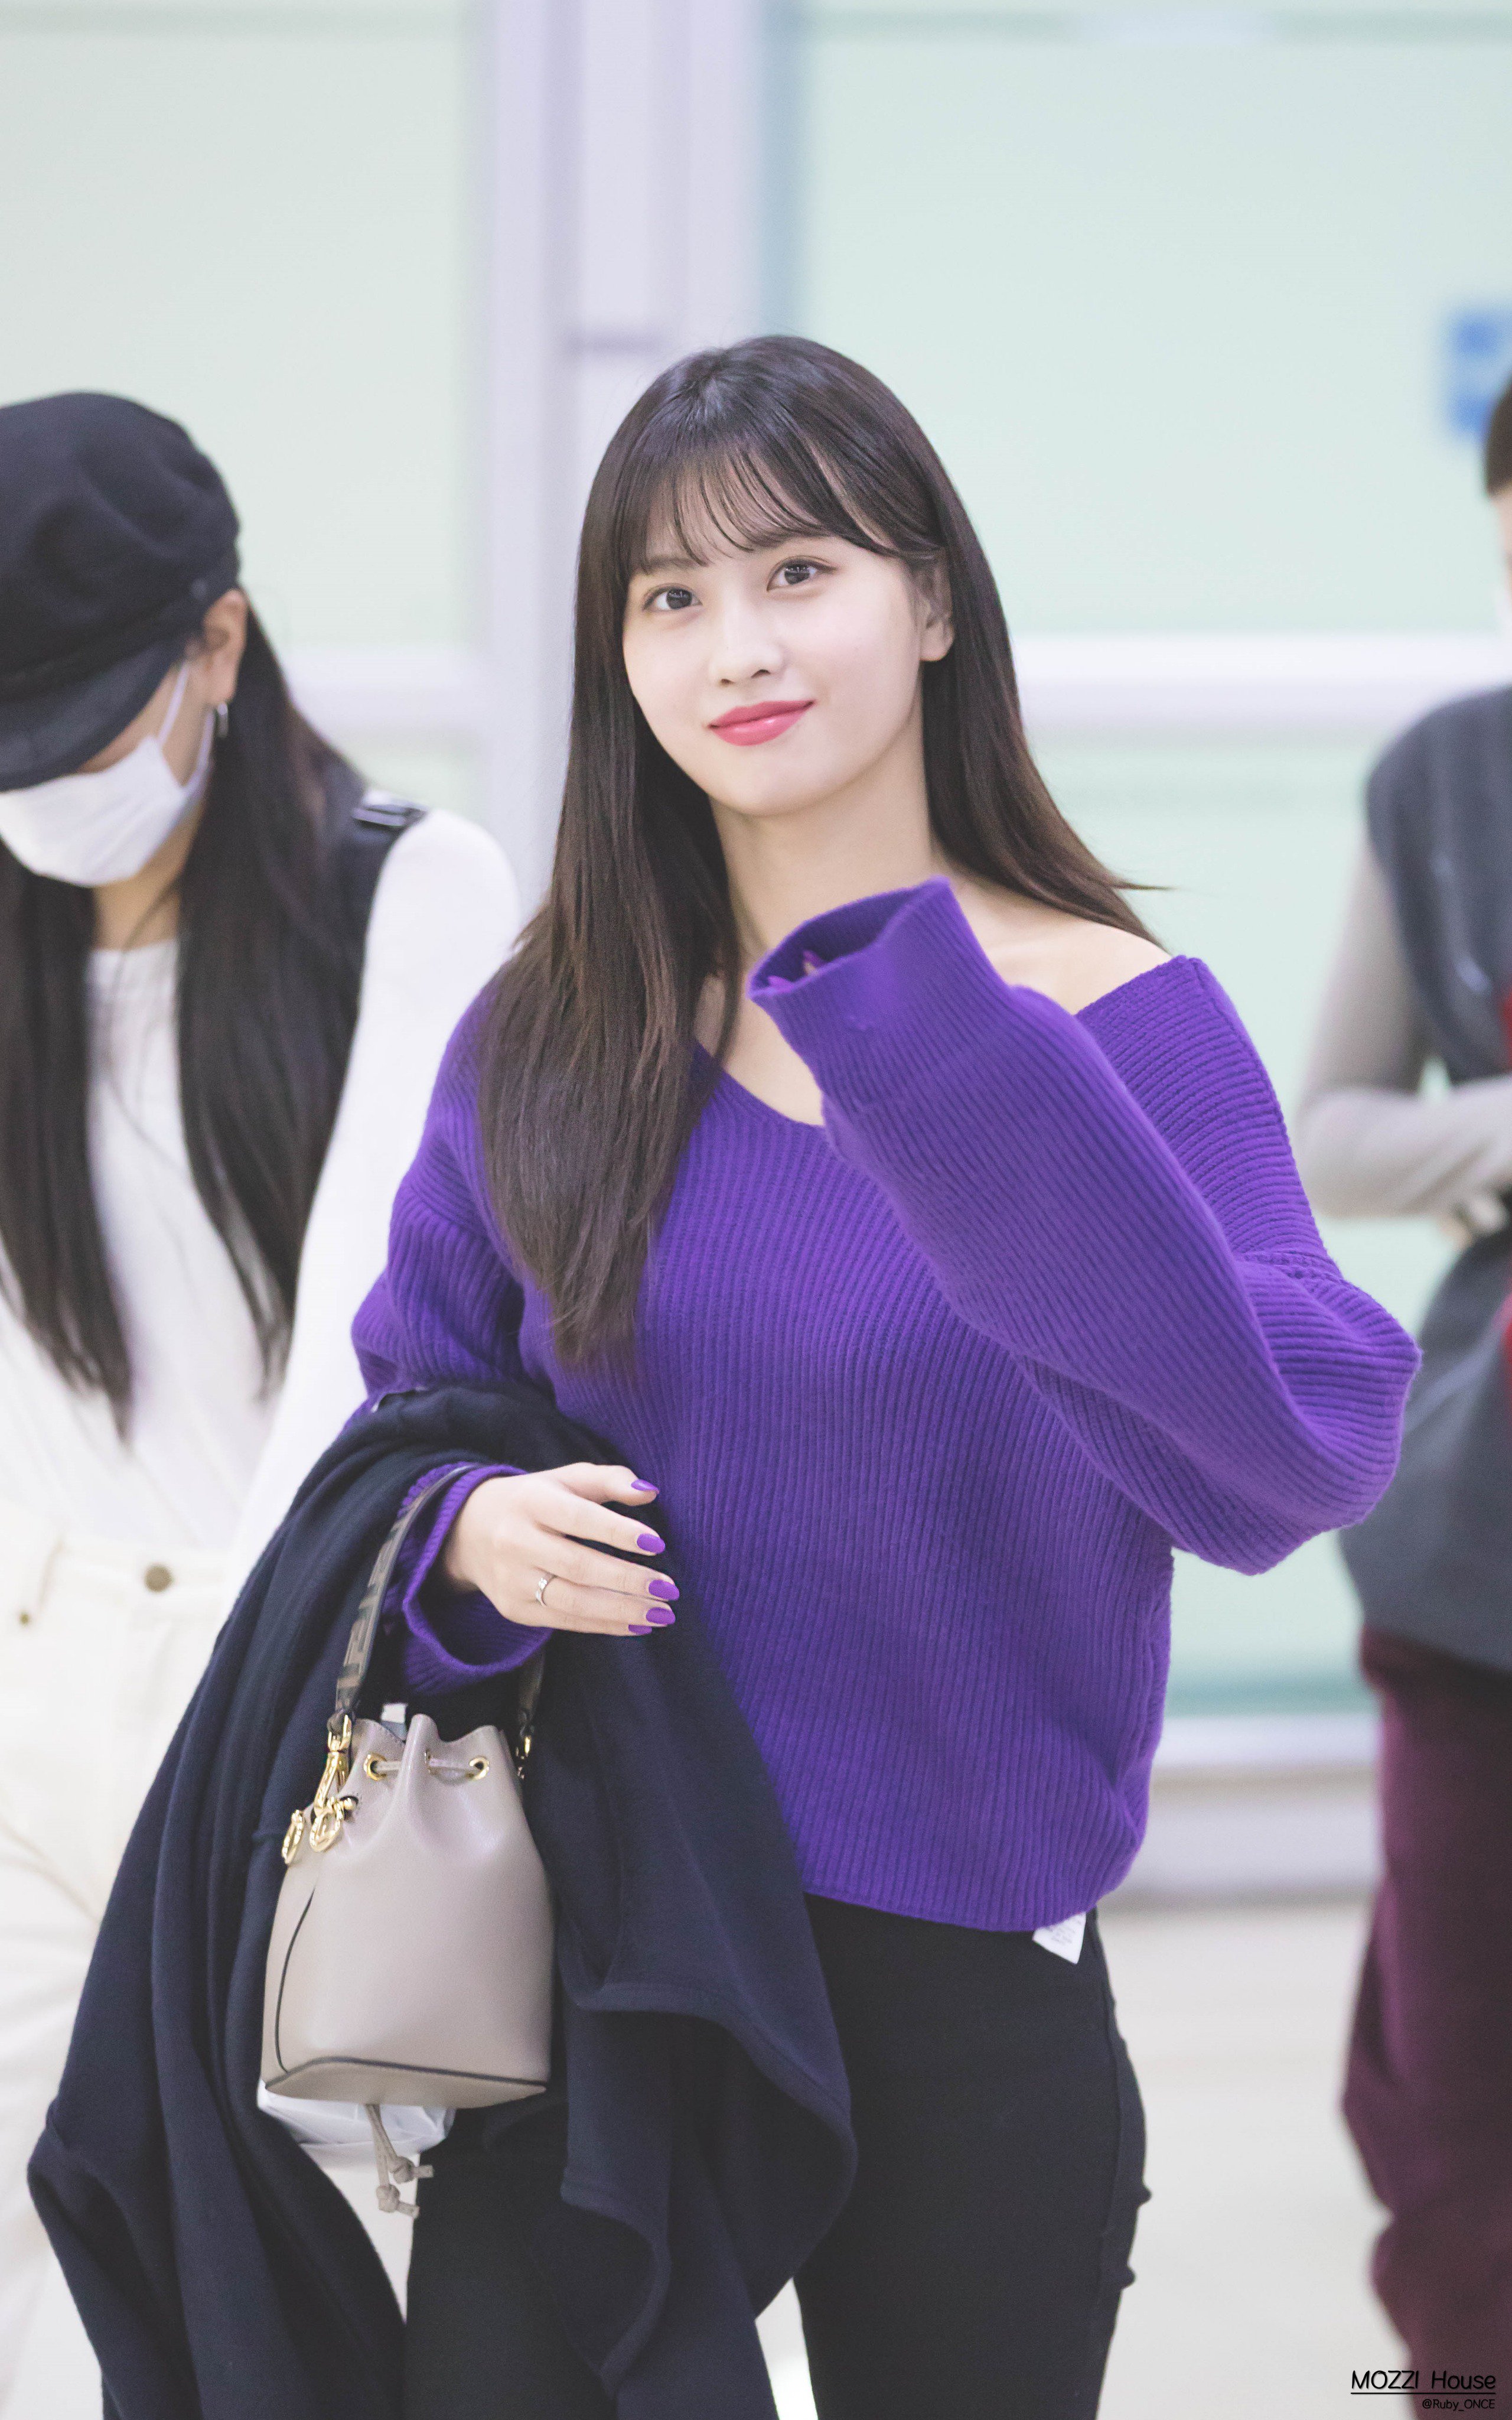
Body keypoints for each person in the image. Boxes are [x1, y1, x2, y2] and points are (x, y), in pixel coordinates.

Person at [354, 335, 1417, 2420]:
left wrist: (950, 1059)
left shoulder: (1122, 1024)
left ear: (930, 601)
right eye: (670, 596)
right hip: (606, 1931)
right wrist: (466, 1532)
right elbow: (408, 1417)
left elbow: (1293, 1459)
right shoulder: (555, 1032)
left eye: (799, 572)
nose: (737, 645)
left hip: (963, 1960)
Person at [0, 391, 518, 2414]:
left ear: (218, 642)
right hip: (29, 1665)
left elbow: (370, 1366)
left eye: (71, 732)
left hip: (271, 1693)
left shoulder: (408, 889)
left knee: (273, 2313)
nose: (36, 790)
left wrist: (251, 1731)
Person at [1295, 372, 1512, 2412]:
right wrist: (1496, 1132)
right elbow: (1335, 1129)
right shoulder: (1448, 779)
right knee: (1456, 2113)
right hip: (1480, 1557)